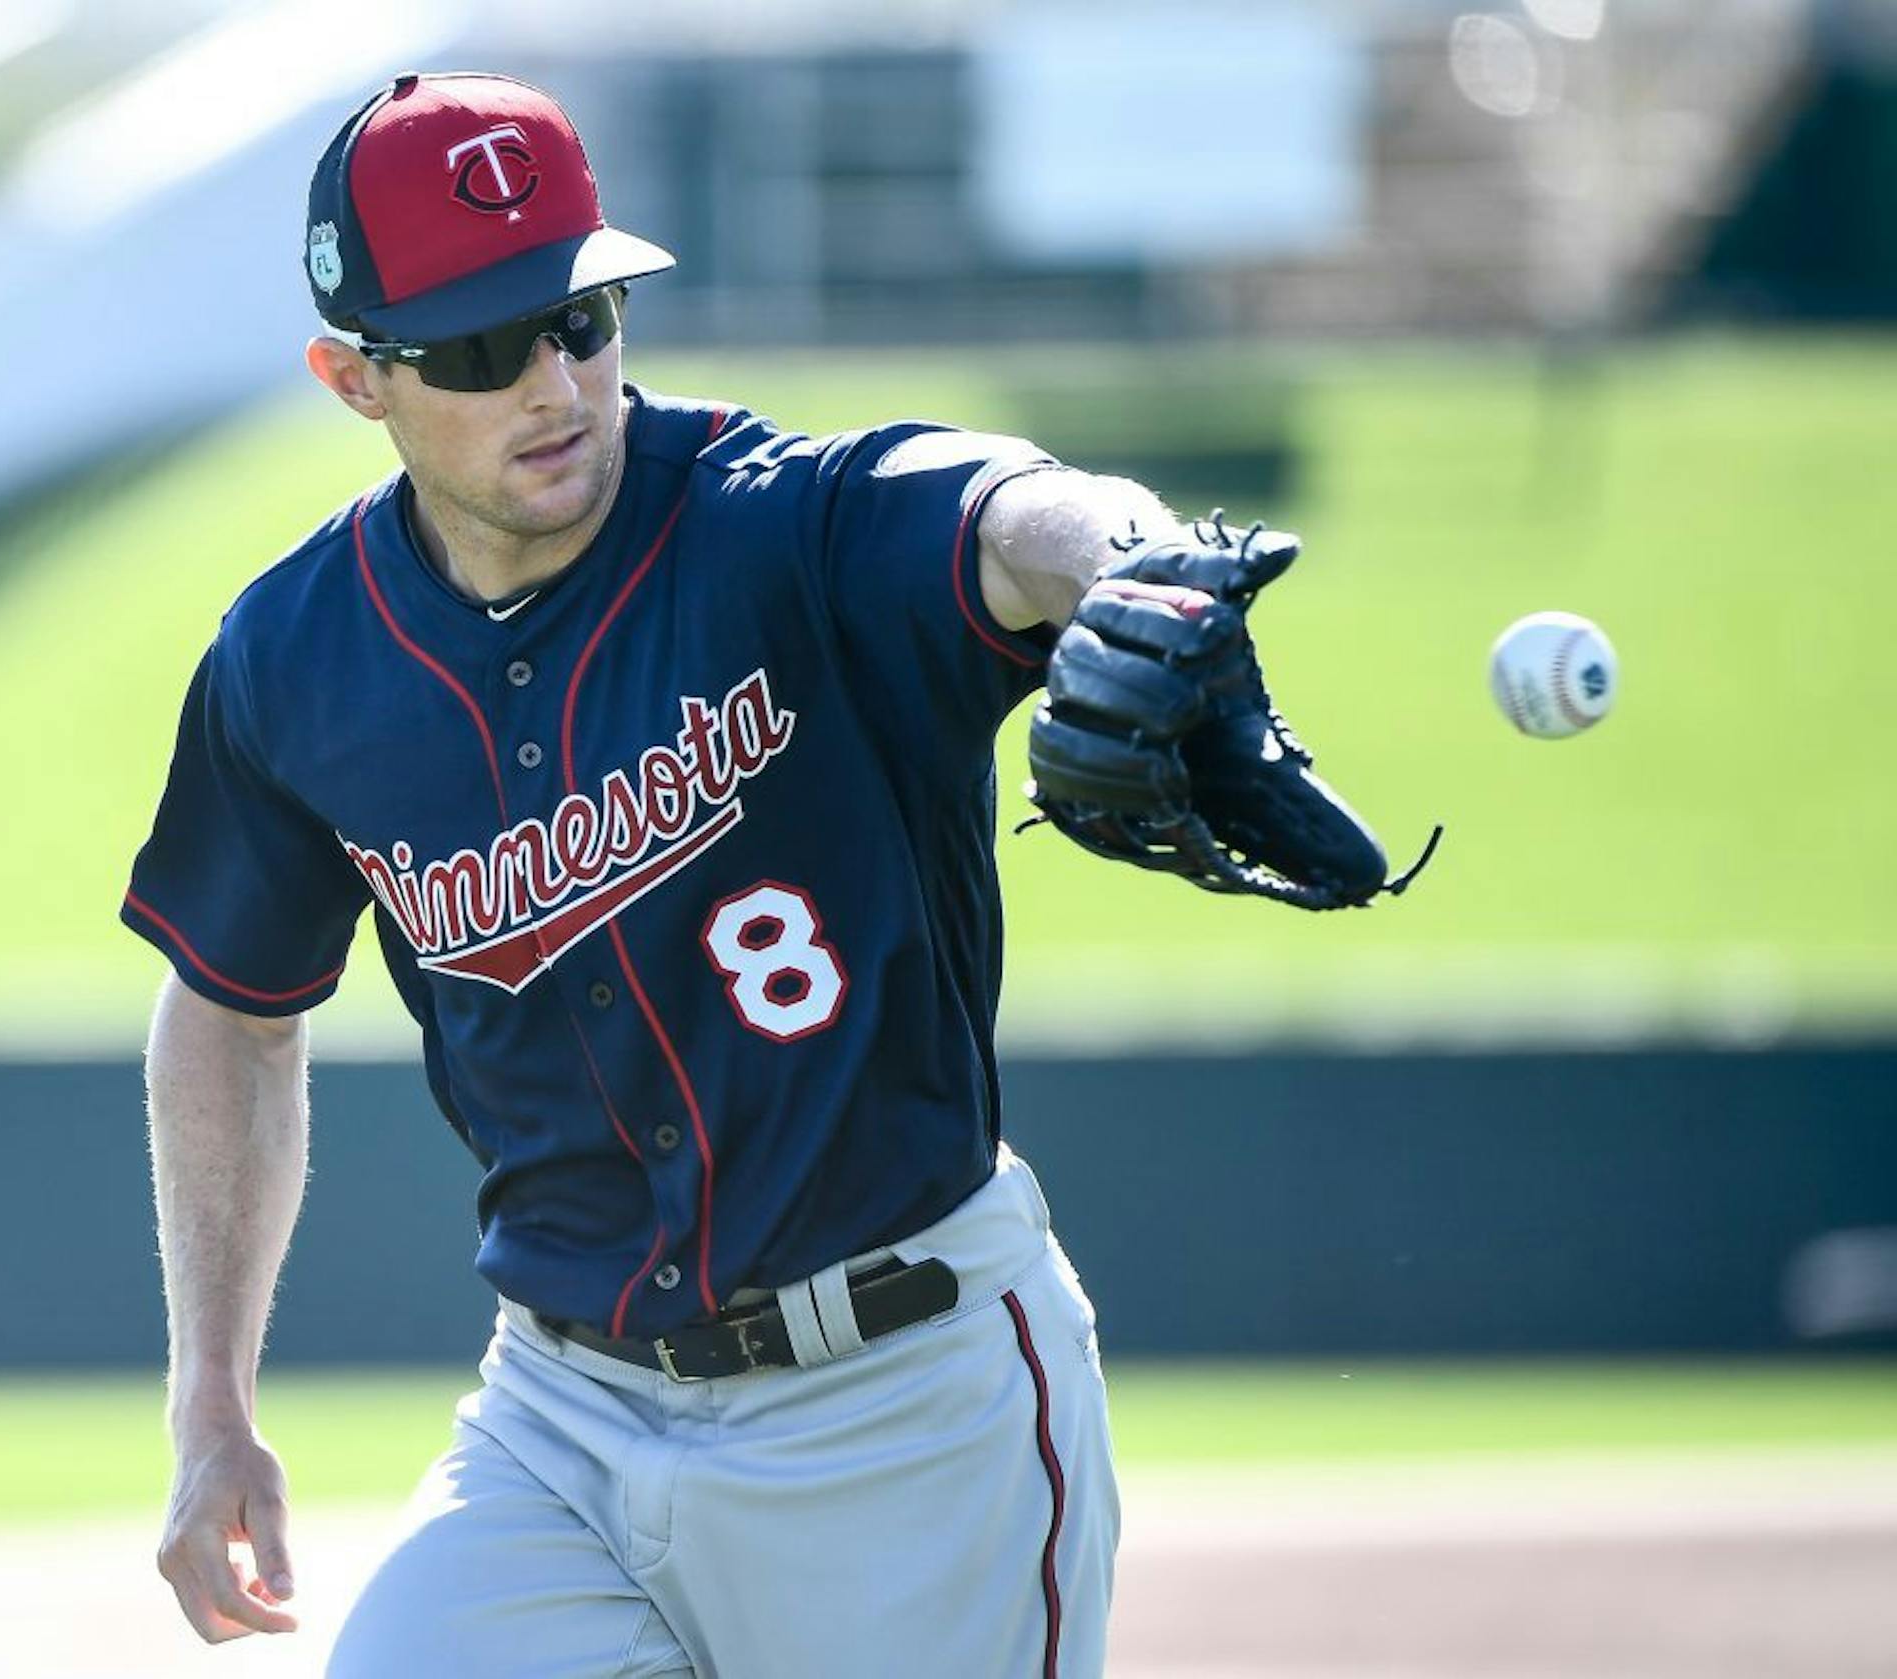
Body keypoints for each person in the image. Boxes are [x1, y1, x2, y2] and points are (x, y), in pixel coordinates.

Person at [127, 70, 1364, 1678]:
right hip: (561, 1426)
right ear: (355, 380)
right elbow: (227, 1014)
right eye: (483, 348)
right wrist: (210, 1407)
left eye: (583, 316)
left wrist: (1134, 567)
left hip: (904, 1409)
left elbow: (1015, 507)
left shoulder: (778, 527)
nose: (553, 381)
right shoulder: (293, 662)